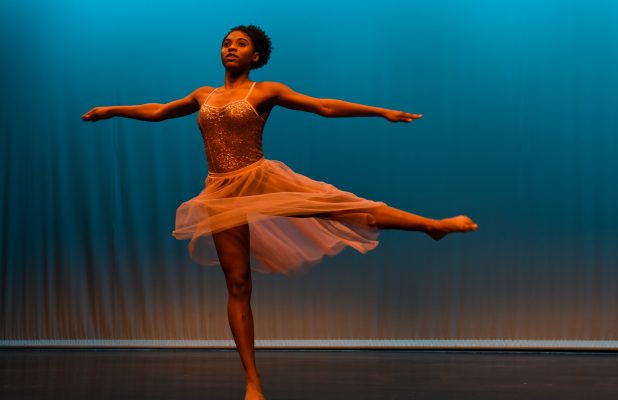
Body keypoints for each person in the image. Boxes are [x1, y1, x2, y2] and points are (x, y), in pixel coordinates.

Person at [82, 24, 477, 400]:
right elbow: (160, 109)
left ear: (256, 56)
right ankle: (253, 382)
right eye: (226, 43)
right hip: (220, 192)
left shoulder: (264, 90)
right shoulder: (204, 94)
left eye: (240, 44)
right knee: (237, 285)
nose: (231, 48)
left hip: (260, 178)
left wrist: (380, 111)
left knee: (343, 206)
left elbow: (322, 106)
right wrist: (112, 109)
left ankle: (431, 226)